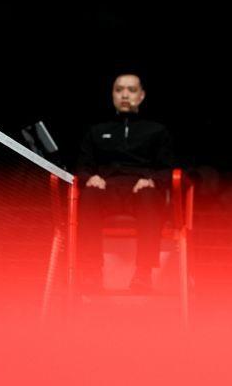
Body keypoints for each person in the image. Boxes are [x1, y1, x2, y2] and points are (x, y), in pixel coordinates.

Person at [74, 72, 175, 292]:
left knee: (150, 197)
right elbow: (82, 167)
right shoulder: (96, 131)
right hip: (106, 189)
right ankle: (92, 271)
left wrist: (151, 181)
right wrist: (90, 177)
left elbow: (168, 170)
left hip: (140, 190)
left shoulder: (157, 131)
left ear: (141, 95)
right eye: (119, 90)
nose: (125, 95)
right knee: (89, 194)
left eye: (131, 90)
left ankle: (143, 274)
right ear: (113, 95)